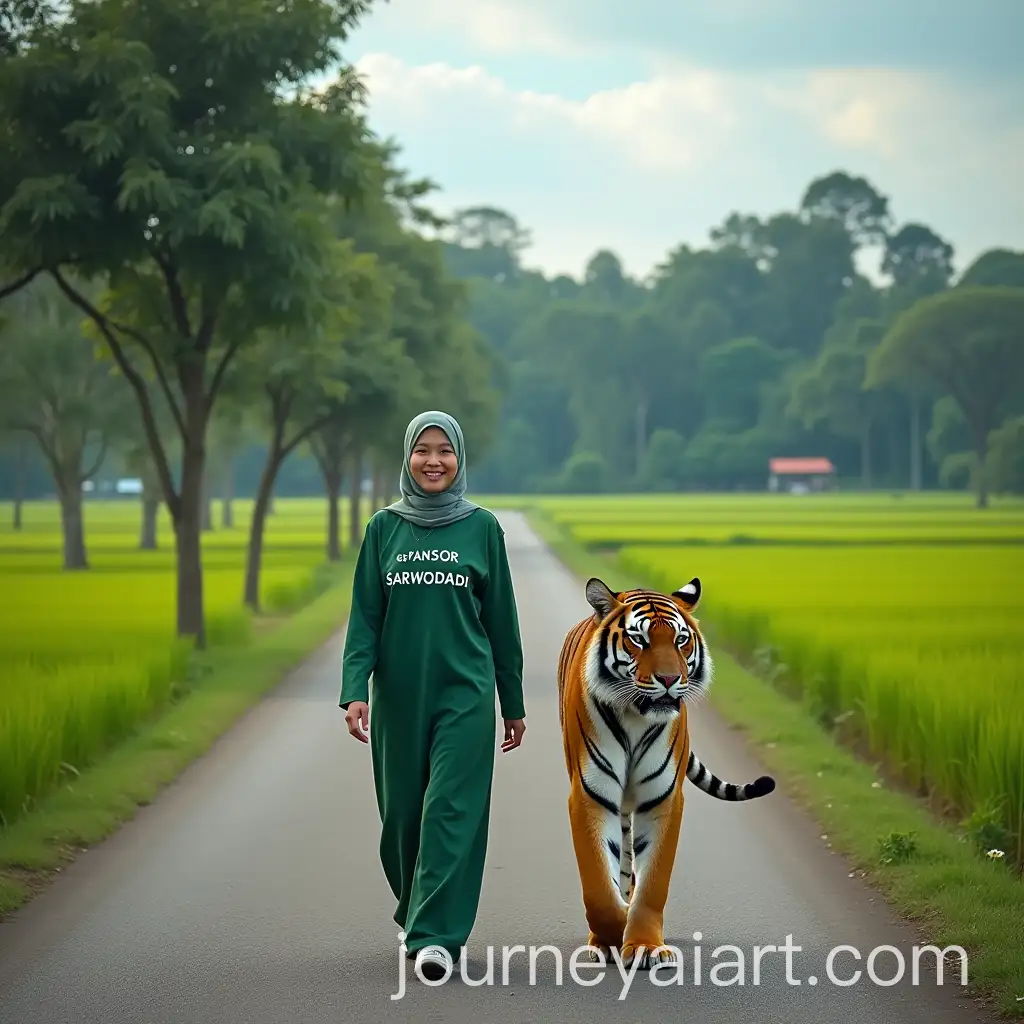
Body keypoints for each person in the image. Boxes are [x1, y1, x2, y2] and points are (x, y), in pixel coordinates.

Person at [338, 410, 527, 982]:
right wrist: (354, 691)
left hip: (465, 693)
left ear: (460, 459)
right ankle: (416, 906)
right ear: (407, 457)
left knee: (450, 809)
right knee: (401, 816)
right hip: (398, 694)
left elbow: (502, 624)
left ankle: (436, 935)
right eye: (423, 449)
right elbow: (365, 619)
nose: (434, 461)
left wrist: (511, 703)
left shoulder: (483, 529)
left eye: (445, 450)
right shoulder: (383, 529)